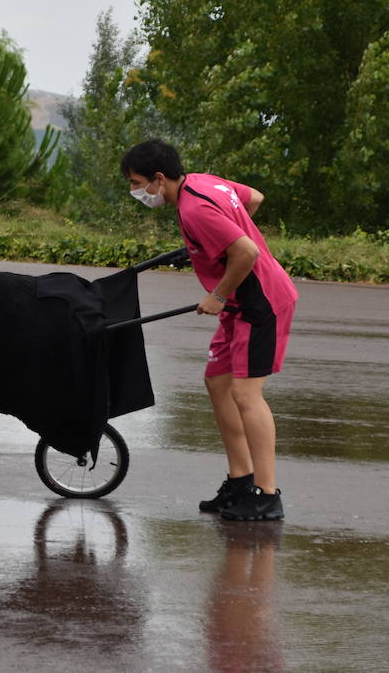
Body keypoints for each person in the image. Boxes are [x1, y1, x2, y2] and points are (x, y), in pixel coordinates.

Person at [121, 139, 296, 521]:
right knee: (217, 383)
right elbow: (254, 199)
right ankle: (240, 478)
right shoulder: (203, 182)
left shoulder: (195, 208)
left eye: (137, 183)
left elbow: (246, 252)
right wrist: (218, 240)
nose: (136, 191)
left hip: (261, 301)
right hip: (241, 303)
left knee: (246, 394)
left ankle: (267, 495)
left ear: (158, 178)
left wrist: (218, 293)